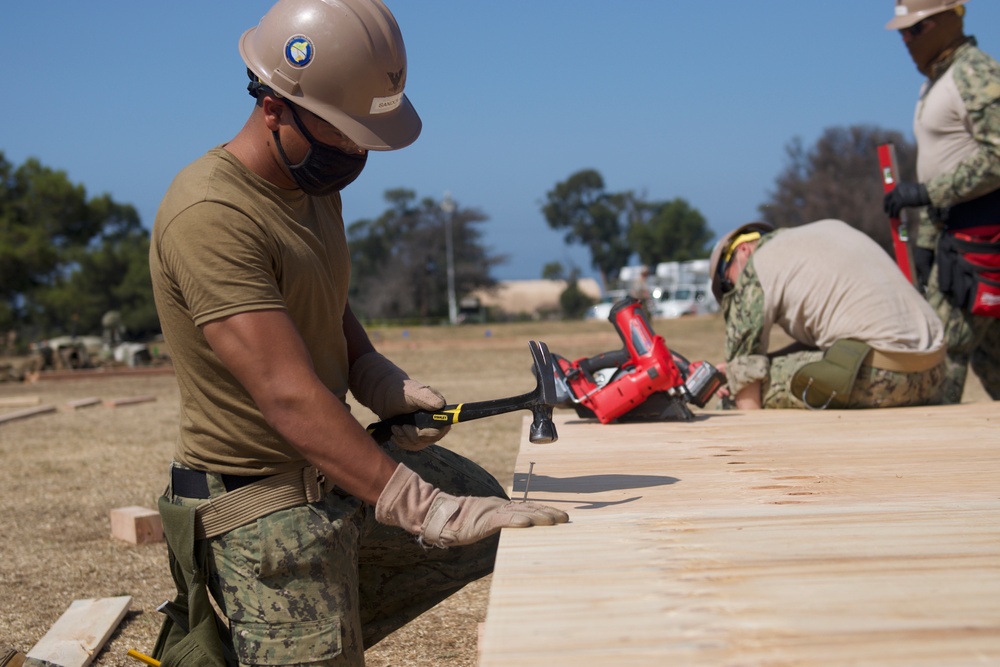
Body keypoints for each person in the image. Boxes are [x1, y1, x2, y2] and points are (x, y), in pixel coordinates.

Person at [147, 1, 568, 665]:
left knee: (495, 515)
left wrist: (378, 378)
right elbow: (286, 393)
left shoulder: (312, 184)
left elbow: (324, 304)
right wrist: (424, 508)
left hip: (329, 468)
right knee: (449, 521)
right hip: (265, 505)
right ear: (275, 106)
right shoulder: (210, 214)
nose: (355, 152)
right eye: (341, 133)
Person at [882, 0, 1000, 404]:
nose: (906, 40)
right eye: (902, 32)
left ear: (950, 20)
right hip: (957, 244)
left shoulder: (975, 73)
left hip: (977, 245)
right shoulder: (937, 81)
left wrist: (927, 193)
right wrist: (927, 244)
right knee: (992, 360)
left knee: (935, 365)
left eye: (915, 29)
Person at [708, 220, 947, 410]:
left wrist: (738, 383)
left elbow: (745, 375)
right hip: (934, 374)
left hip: (884, 376)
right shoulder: (827, 231)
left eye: (728, 283)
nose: (733, 291)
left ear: (742, 252)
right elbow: (834, 338)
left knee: (734, 394)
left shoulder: (754, 267)